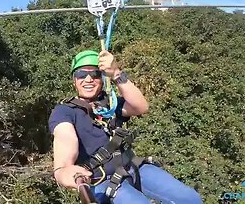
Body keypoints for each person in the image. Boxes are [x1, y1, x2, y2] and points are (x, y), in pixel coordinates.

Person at [48, 50, 203, 204]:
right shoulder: (64, 111)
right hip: (102, 181)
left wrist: (116, 73)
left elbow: (140, 107)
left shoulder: (109, 104)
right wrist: (63, 170)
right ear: (74, 80)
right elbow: (65, 137)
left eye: (95, 74)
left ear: (101, 78)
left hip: (133, 167)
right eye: (81, 74)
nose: (88, 79)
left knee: (190, 199)